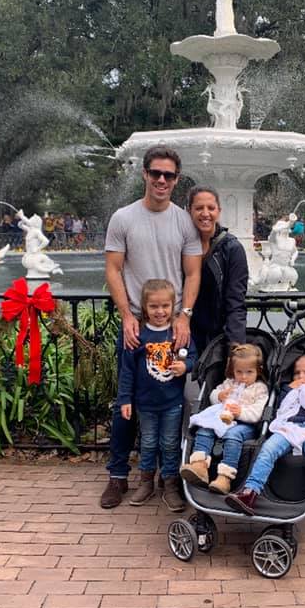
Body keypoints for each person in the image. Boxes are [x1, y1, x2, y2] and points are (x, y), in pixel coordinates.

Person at [101, 145, 202, 509]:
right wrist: (127, 315)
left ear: (176, 180)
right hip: (136, 325)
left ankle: (169, 477)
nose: (161, 180)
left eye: (169, 175)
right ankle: (118, 477)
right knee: (127, 400)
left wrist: (185, 315)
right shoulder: (123, 218)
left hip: (172, 325)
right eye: (155, 173)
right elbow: (113, 269)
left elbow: (193, 272)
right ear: (145, 174)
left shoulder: (183, 221)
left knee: (171, 401)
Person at [226, 355, 305, 531]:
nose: (300, 377)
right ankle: (249, 493)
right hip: (289, 428)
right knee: (268, 449)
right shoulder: (290, 392)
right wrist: (290, 390)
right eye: (296, 373)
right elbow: (281, 410)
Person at [116, 279, 196, 511]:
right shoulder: (138, 335)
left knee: (170, 444)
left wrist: (186, 366)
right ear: (144, 307)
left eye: (165, 306)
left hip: (172, 403)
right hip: (145, 404)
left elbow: (193, 356)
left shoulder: (178, 332)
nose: (160, 311)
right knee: (148, 443)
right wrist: (125, 400)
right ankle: (146, 482)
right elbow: (127, 371)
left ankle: (170, 485)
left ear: (173, 307)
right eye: (153, 307)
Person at [180, 344, 269, 494]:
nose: (243, 376)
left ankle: (225, 477)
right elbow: (214, 395)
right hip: (221, 419)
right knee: (205, 427)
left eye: (249, 372)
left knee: (232, 435)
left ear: (258, 371)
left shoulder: (260, 388)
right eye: (239, 372)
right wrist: (219, 396)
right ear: (232, 370)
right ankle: (199, 465)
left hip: (244, 425)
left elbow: (257, 414)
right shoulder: (230, 383)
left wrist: (240, 412)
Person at [186, 186, 249, 353]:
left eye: (211, 208)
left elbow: (236, 302)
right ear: (188, 210)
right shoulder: (180, 244)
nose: (205, 213)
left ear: (219, 211)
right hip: (184, 333)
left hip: (218, 337)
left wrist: (235, 348)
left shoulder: (232, 248)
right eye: (199, 208)